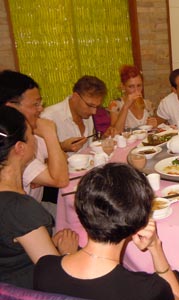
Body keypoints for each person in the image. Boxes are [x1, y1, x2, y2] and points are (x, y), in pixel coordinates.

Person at [34, 163, 179, 300]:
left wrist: (68, 253)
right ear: (138, 221)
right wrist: (155, 247)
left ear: (81, 210)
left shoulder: (44, 268)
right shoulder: (146, 289)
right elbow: (178, 297)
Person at [0, 106, 78, 289]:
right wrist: (66, 253)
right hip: (26, 290)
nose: (35, 140)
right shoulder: (19, 208)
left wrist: (48, 242)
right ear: (20, 148)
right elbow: (56, 280)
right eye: (31, 135)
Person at [0, 70, 69, 210]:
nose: (41, 109)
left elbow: (63, 161)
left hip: (36, 205)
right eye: (35, 104)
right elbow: (61, 179)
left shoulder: (34, 129)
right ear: (11, 107)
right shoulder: (11, 146)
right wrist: (50, 133)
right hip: (22, 217)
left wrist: (47, 166)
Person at [41, 75, 109, 155]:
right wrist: (62, 147)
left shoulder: (86, 114)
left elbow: (88, 148)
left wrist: (104, 137)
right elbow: (37, 159)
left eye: (97, 106)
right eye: (90, 105)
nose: (94, 112)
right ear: (75, 97)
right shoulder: (48, 117)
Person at [108, 65, 158, 132]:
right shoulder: (115, 105)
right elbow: (116, 133)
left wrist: (153, 126)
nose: (136, 91)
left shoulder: (148, 104)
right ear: (123, 87)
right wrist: (126, 106)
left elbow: (154, 132)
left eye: (139, 86)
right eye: (131, 86)